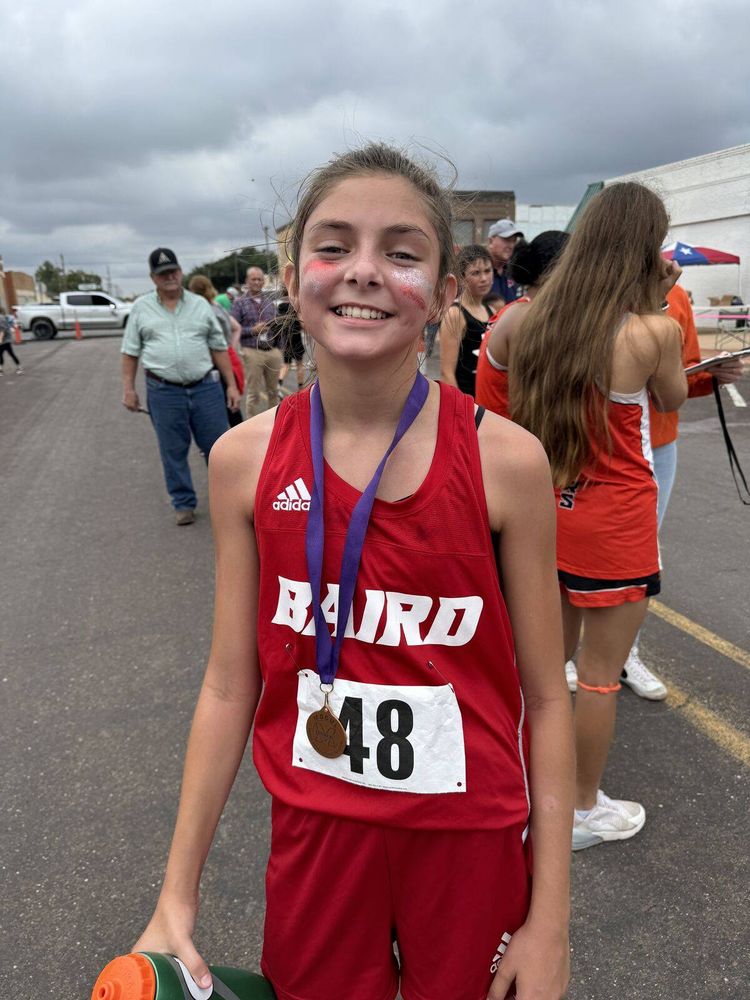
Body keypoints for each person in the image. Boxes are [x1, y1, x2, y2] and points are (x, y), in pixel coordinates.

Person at [133, 144, 573, 1000]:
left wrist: (549, 917)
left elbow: (547, 699)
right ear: (297, 276)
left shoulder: (505, 461)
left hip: (469, 840)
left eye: (402, 252)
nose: (364, 272)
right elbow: (230, 685)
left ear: (446, 292)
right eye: (335, 246)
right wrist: (175, 894)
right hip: (317, 837)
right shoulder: (243, 460)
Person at [511, 182, 688, 852]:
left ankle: (528, 790)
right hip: (616, 520)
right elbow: (670, 397)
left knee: (545, 669)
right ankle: (580, 808)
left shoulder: (537, 319)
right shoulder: (653, 329)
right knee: (598, 678)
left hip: (553, 509)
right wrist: (658, 300)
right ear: (645, 248)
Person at [565, 281, 745, 699]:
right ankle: (575, 655)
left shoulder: (676, 298)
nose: (670, 265)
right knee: (586, 562)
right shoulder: (590, 294)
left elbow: (680, 379)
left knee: (637, 565)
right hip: (595, 452)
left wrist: (711, 376)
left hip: (658, 446)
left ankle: (626, 654)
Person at [121, 248, 241, 525]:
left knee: (220, 447)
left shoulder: (200, 305)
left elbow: (218, 348)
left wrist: (231, 385)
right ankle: (183, 502)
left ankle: (230, 501)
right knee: (172, 450)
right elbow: (130, 352)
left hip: (206, 388)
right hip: (163, 391)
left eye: (173, 271)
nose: (170, 277)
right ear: (153, 278)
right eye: (163, 273)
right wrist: (128, 388)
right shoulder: (141, 308)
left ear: (181, 272)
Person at [475, 231, 569, 419]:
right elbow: (528, 408)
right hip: (504, 439)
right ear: (556, 271)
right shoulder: (526, 320)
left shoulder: (521, 309)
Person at [188, 275, 245, 428]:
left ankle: (227, 444)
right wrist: (230, 347)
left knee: (218, 408)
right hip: (228, 357)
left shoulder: (202, 311)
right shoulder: (218, 306)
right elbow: (236, 328)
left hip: (213, 362)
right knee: (233, 406)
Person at [438, 244, 494, 397]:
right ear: (462, 278)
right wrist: (462, 410)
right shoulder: (455, 314)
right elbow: (447, 372)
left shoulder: (492, 312)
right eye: (475, 273)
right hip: (466, 400)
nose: (483, 278)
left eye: (487, 271)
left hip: (486, 401)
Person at [232, 266, 281, 417]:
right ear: (247, 281)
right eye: (253, 279)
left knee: (274, 391)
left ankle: (276, 424)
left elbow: (278, 325)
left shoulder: (270, 302)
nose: (257, 282)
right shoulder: (239, 303)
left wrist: (280, 349)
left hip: (272, 351)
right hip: (252, 351)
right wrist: (253, 330)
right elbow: (234, 329)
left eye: (260, 279)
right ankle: (250, 426)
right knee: (254, 393)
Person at [487, 218, 524, 309]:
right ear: (491, 241)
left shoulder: (516, 272)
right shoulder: (475, 271)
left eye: (514, 241)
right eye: (507, 240)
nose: (511, 246)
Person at [0, 310, 23, 375]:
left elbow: (2, 330)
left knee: (10, 353)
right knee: (3, 354)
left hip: (5, 340)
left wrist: (0, 339)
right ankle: (18, 368)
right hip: (4, 339)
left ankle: (19, 368)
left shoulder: (0, 318)